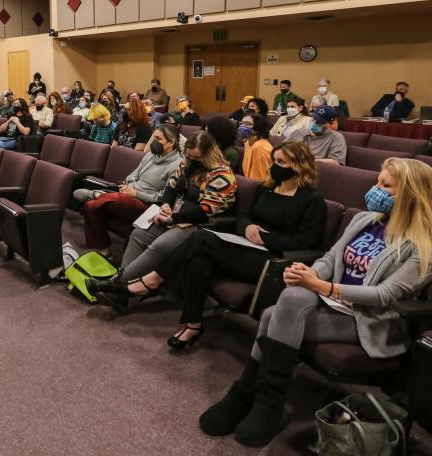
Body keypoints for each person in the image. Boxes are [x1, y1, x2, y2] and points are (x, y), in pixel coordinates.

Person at [198, 157, 432, 446]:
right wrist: (309, 273)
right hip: (330, 301)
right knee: (289, 300)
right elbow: (332, 258)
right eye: (377, 181)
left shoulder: (429, 246)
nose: (376, 189)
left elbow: (384, 295)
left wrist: (322, 286)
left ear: (411, 194)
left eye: (386, 185)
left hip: (369, 319)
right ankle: (263, 403)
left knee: (274, 316)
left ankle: (248, 397)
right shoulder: (364, 220)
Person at [90, 142, 325, 350]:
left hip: (274, 261)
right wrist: (248, 229)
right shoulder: (267, 188)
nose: (275, 165)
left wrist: (265, 238)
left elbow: (305, 243)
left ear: (299, 165)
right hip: (245, 245)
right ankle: (192, 325)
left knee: (200, 238)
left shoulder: (312, 201)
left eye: (281, 162)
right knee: (198, 259)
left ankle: (148, 282)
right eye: (274, 160)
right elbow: (244, 216)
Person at [98, 131, 236, 293]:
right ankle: (122, 284)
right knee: (139, 234)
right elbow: (171, 186)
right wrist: (165, 205)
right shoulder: (185, 164)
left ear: (208, 156)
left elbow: (205, 211)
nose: (191, 162)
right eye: (189, 157)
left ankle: (118, 285)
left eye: (196, 159)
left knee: (160, 245)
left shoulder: (223, 176)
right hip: (176, 214)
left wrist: (172, 218)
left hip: (200, 224)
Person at [73, 124, 183, 257]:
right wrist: (128, 185)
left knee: (121, 198)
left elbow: (163, 197)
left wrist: (136, 193)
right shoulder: (150, 156)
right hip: (129, 194)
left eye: (158, 139)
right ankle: (104, 248)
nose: (154, 142)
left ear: (171, 142)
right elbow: (133, 175)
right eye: (154, 138)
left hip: (148, 205)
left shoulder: (177, 165)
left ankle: (97, 194)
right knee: (90, 206)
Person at [240, 114, 273, 181]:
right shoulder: (248, 143)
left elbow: (260, 181)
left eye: (247, 124)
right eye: (241, 123)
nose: (242, 127)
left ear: (258, 129)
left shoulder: (260, 148)